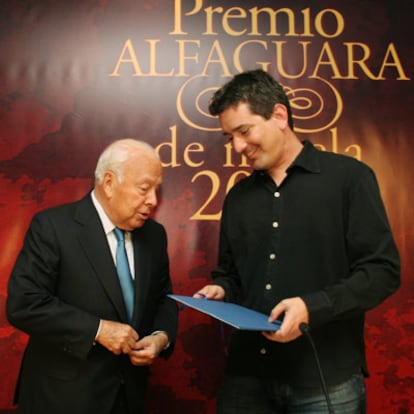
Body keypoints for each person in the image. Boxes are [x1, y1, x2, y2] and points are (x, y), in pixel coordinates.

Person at [195, 69, 400, 413]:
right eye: (230, 137)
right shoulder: (238, 197)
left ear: (279, 115)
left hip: (326, 380)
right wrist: (221, 290)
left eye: (244, 132)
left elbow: (382, 272)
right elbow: (230, 273)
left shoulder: (350, 179)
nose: (237, 147)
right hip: (247, 379)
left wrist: (312, 307)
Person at [6, 138, 178, 414]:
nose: (153, 201)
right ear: (109, 183)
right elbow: (24, 304)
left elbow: (163, 299)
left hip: (128, 397)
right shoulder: (53, 227)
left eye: (157, 190)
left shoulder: (155, 236)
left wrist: (160, 336)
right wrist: (98, 330)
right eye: (144, 189)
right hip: (61, 398)